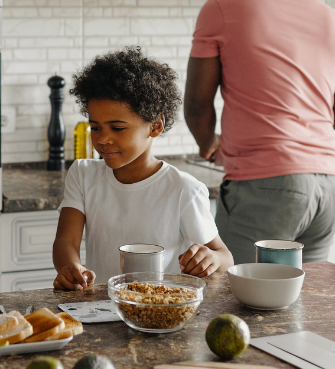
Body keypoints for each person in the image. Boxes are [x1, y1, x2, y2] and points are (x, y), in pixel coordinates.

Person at [184, 0, 335, 267]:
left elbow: (196, 102)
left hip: (266, 184)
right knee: (302, 302)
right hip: (328, 187)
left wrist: (208, 144)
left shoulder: (221, 8)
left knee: (234, 297)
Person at [52, 47, 233, 290]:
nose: (103, 139)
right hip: (102, 307)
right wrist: (70, 267)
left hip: (159, 311)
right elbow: (66, 240)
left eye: (117, 128)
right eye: (95, 127)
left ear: (155, 126)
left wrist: (212, 259)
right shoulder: (83, 175)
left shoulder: (183, 189)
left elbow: (224, 255)